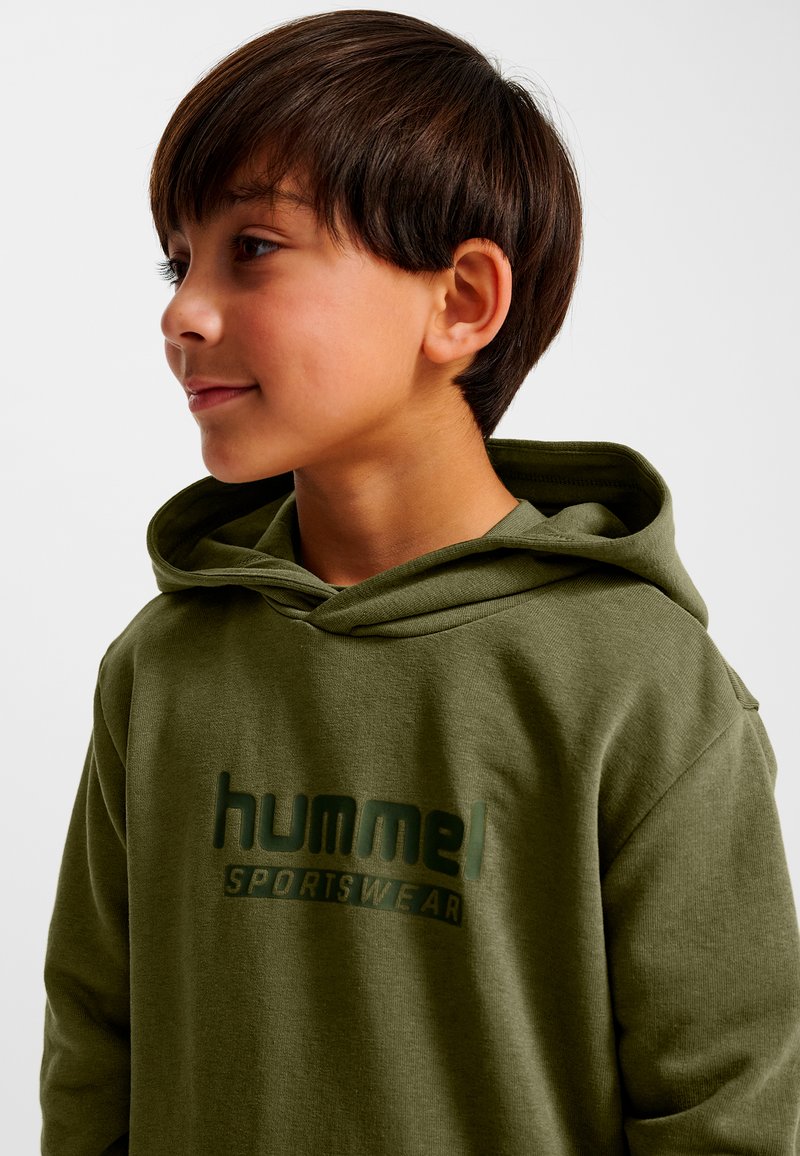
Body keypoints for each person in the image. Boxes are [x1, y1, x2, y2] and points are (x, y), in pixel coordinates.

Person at [40, 9, 800, 1154]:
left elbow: (725, 1111)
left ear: (459, 302)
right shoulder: (162, 665)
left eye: (254, 247)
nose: (181, 312)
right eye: (178, 259)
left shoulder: (639, 685)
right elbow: (92, 1045)